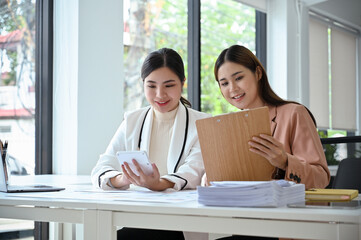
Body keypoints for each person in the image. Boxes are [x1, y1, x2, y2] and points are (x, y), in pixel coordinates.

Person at [202, 45, 330, 240]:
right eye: (224, 83)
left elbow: (321, 179)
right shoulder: (230, 128)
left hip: (288, 228)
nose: (233, 89)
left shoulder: (294, 113)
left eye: (238, 78)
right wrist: (211, 178)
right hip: (249, 225)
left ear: (258, 73)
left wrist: (285, 161)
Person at [91, 48, 210, 240]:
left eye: (169, 85)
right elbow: (101, 168)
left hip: (180, 224)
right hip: (138, 218)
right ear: (143, 85)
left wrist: (158, 184)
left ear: (182, 83)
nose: (160, 94)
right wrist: (124, 179)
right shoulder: (132, 121)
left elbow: (193, 172)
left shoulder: (203, 123)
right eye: (151, 86)